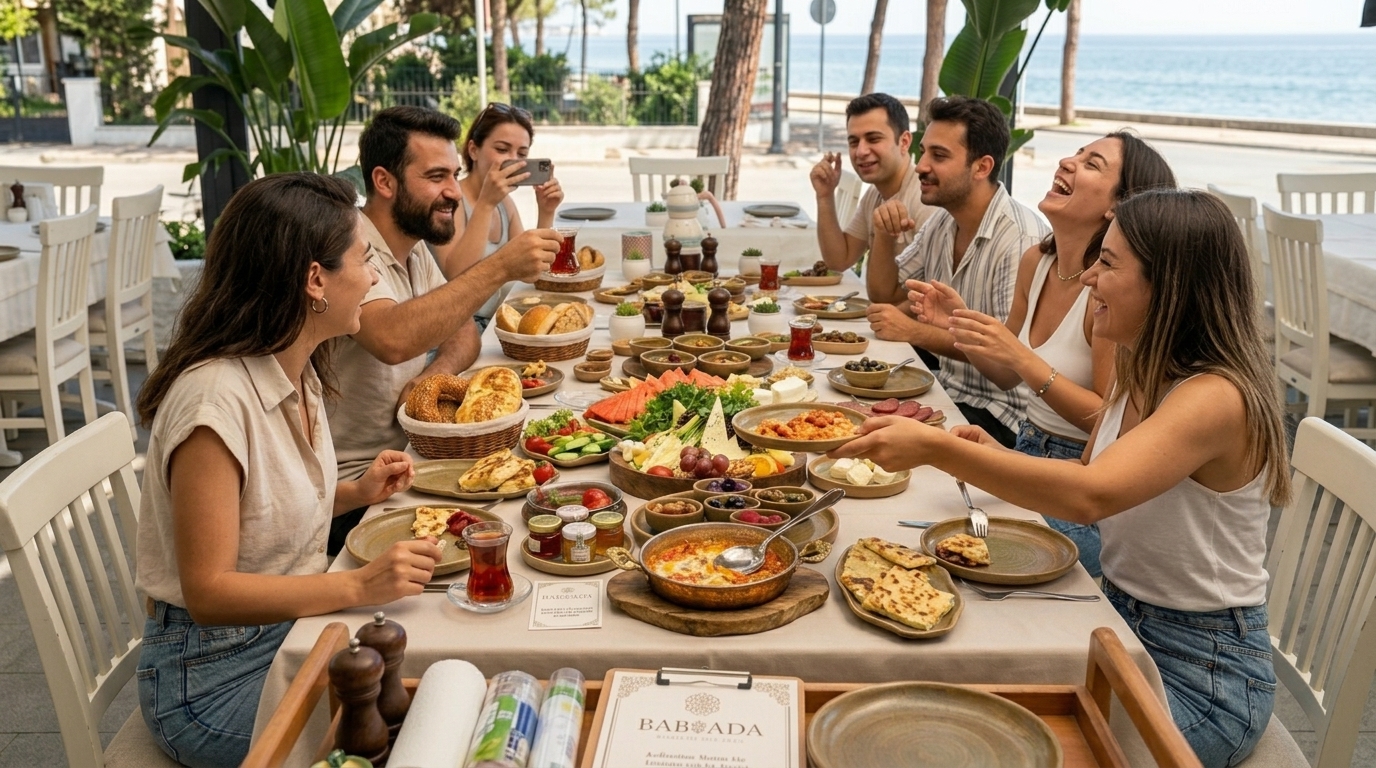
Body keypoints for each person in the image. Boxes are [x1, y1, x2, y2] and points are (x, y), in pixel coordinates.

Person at [833, 188, 1289, 768]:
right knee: (942, 692)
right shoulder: (1138, 362)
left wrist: (936, 451)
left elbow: (1090, 497)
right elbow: (1087, 471)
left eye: (1110, 263)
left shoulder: (1215, 397)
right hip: (1115, 621)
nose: (1090, 278)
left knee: (990, 743)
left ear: (1168, 285)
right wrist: (996, 452)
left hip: (1203, 673)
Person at [133, 174, 442, 768]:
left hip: (290, 630)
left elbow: (258, 513)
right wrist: (357, 586)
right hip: (210, 680)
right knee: (401, 734)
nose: (375, 278)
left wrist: (355, 491)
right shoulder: (214, 404)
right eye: (363, 260)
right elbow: (210, 593)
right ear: (314, 279)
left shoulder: (296, 364)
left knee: (441, 688)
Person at [906, 132, 1177, 576]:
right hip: (1027, 446)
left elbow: (1105, 420)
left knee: (951, 551)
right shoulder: (1039, 260)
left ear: (1120, 207)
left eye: (1092, 164)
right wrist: (962, 325)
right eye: (1076, 153)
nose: (1068, 162)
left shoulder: (1109, 294)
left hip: (1077, 473)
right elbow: (1006, 374)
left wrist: (1026, 360)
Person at [328, 107, 561, 550]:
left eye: (455, 175)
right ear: (384, 182)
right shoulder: (349, 246)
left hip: (419, 453)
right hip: (357, 491)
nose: (454, 192)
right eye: (437, 177)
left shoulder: (413, 247)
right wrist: (499, 267)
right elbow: (392, 338)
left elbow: (462, 330)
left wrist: (430, 379)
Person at [864, 95, 1050, 447]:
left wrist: (915, 331)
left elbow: (1009, 363)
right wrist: (883, 237)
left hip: (1002, 418)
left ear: (981, 167)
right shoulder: (942, 223)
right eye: (923, 152)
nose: (920, 166)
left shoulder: (1019, 239)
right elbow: (885, 295)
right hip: (950, 395)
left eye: (939, 156)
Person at [430, 102, 564, 332]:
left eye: (522, 154)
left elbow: (531, 272)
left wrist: (546, 210)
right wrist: (486, 202)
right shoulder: (450, 201)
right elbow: (457, 277)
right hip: (459, 329)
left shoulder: (505, 205)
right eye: (502, 150)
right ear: (473, 150)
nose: (513, 160)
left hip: (499, 321)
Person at [810, 92, 934, 273]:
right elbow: (839, 260)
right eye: (854, 142)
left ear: (904, 142)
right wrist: (824, 195)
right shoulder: (875, 194)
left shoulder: (925, 200)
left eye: (873, 139)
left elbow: (934, 290)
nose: (861, 151)